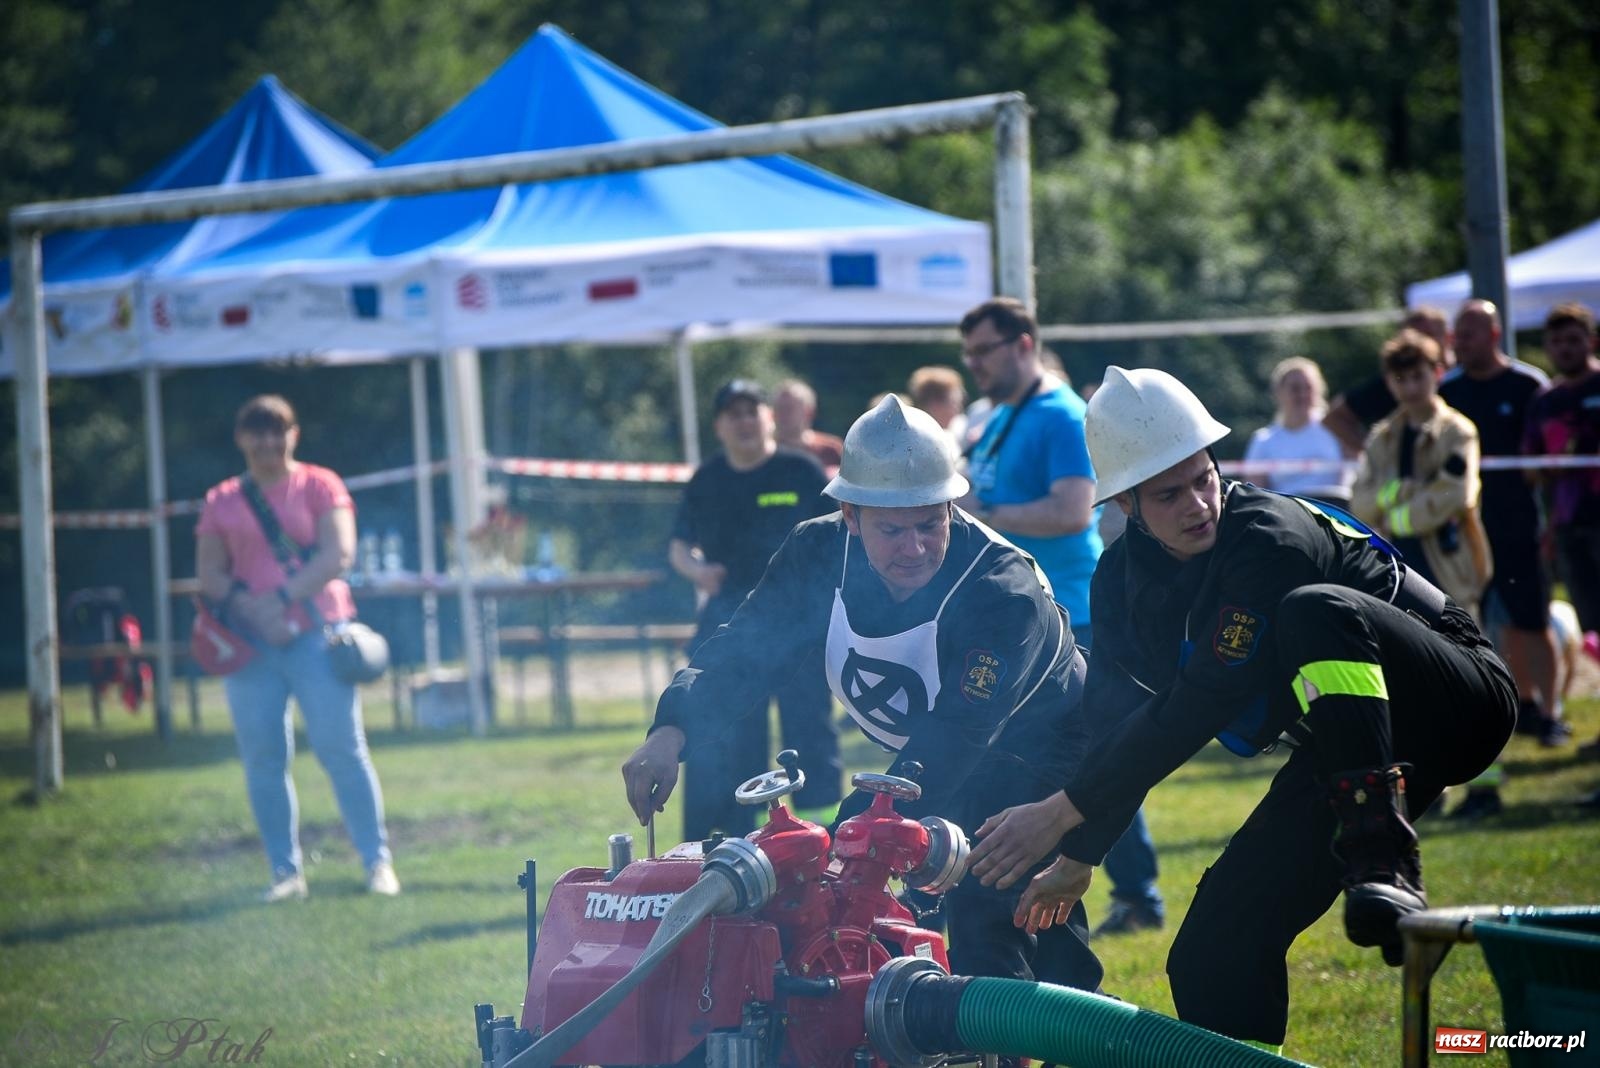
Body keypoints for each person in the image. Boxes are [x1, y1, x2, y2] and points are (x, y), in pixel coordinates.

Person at [966, 367, 1515, 1051]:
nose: (1199, 504)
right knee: (1215, 947)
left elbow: (1201, 703)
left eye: (1204, 478)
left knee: (1316, 610)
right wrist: (1081, 852)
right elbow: (1115, 723)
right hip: (1353, 747)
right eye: (1169, 495)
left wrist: (1061, 810)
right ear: (1126, 504)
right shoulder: (1119, 581)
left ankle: (1383, 862)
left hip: (1460, 700)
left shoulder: (1270, 537)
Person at [623, 396, 1103, 989]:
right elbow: (746, 649)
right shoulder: (816, 551)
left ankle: (1062, 1023)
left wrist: (849, 831)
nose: (914, 548)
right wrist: (672, 729)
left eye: (930, 524)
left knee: (994, 916)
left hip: (1038, 744)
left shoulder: (1001, 592)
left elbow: (960, 731)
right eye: (892, 529)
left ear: (952, 507)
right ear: (849, 515)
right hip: (939, 748)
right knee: (889, 917)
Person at [955, 297, 1165, 937]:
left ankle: (1137, 894)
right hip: (1024, 619)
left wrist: (984, 515)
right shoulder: (1002, 415)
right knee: (1048, 759)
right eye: (968, 354)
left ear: (1024, 344)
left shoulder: (1063, 415)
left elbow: (1073, 510)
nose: (973, 365)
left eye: (983, 351)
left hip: (1071, 615)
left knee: (1098, 757)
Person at [195, 395, 400, 902]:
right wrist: (252, 609)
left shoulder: (319, 484)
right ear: (241, 439)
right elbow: (210, 573)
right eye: (257, 432)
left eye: (277, 430)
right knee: (263, 758)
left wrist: (281, 599)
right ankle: (285, 873)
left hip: (317, 636)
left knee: (342, 750)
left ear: (294, 435)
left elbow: (338, 553)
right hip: (251, 645)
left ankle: (377, 863)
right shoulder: (221, 499)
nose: (268, 442)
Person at [669, 379, 841, 839]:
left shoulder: (801, 471)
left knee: (809, 728)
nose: (745, 421)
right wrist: (698, 571)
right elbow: (679, 545)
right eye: (734, 414)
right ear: (719, 426)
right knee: (731, 732)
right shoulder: (707, 480)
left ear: (769, 418)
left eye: (752, 411)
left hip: (800, 623)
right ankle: (735, 840)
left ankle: (823, 837)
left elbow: (839, 534)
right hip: (731, 622)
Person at [1440, 300, 1568, 752]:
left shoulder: (1529, 385)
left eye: (1469, 333)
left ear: (1494, 335)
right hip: (1468, 529)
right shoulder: (1448, 389)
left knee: (1534, 619)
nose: (1460, 342)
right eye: (1457, 334)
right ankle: (1520, 705)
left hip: (1520, 525)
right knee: (1489, 621)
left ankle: (1552, 715)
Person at [1350, 329, 1492, 612]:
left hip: (1450, 567)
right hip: (1395, 568)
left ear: (1438, 373)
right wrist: (1404, 491)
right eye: (1400, 379)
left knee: (1460, 635)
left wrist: (1394, 519)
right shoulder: (1381, 437)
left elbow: (1456, 495)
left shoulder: (1458, 432)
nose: (1411, 387)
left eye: (1418, 376)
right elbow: (1360, 504)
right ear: (1388, 382)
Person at [1523, 303, 1600, 761]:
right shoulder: (1545, 401)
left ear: (1591, 340)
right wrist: (1553, 463)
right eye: (1556, 341)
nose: (1565, 349)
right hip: (1570, 529)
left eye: (1573, 339)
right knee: (1594, 631)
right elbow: (1530, 469)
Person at [1324, 306, 1454, 456]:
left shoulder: (1458, 429)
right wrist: (1371, 455)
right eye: (1412, 337)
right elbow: (1334, 417)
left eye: (1428, 335)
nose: (1411, 387)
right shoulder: (1386, 432)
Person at [1243, 356, 1352, 507]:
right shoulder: (1263, 440)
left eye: (1308, 387)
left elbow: (1356, 473)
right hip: (1286, 513)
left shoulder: (1338, 429)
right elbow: (1255, 494)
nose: (1303, 394)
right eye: (1295, 388)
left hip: (1336, 511)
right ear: (1278, 392)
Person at [773, 378, 845, 468]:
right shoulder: (765, 453)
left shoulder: (830, 451)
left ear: (808, 412)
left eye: (789, 408)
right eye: (778, 408)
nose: (782, 414)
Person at [908, 364, 968, 446]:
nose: (959, 406)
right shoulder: (918, 439)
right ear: (935, 404)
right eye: (954, 401)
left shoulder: (963, 427)